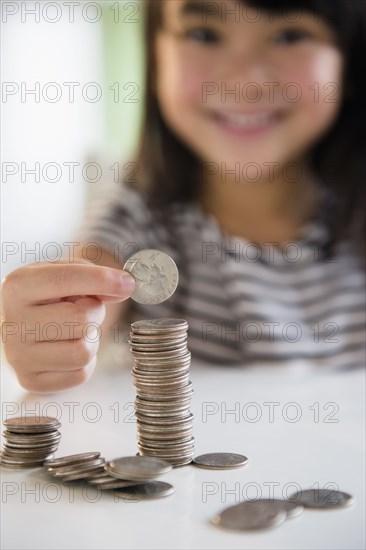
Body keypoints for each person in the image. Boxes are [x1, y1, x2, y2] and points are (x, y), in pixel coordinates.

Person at [2, 0, 365, 393]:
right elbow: (80, 308)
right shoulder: (133, 214)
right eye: (203, 34)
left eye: (291, 35)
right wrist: (52, 332)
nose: (245, 81)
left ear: (350, 59)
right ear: (156, 57)